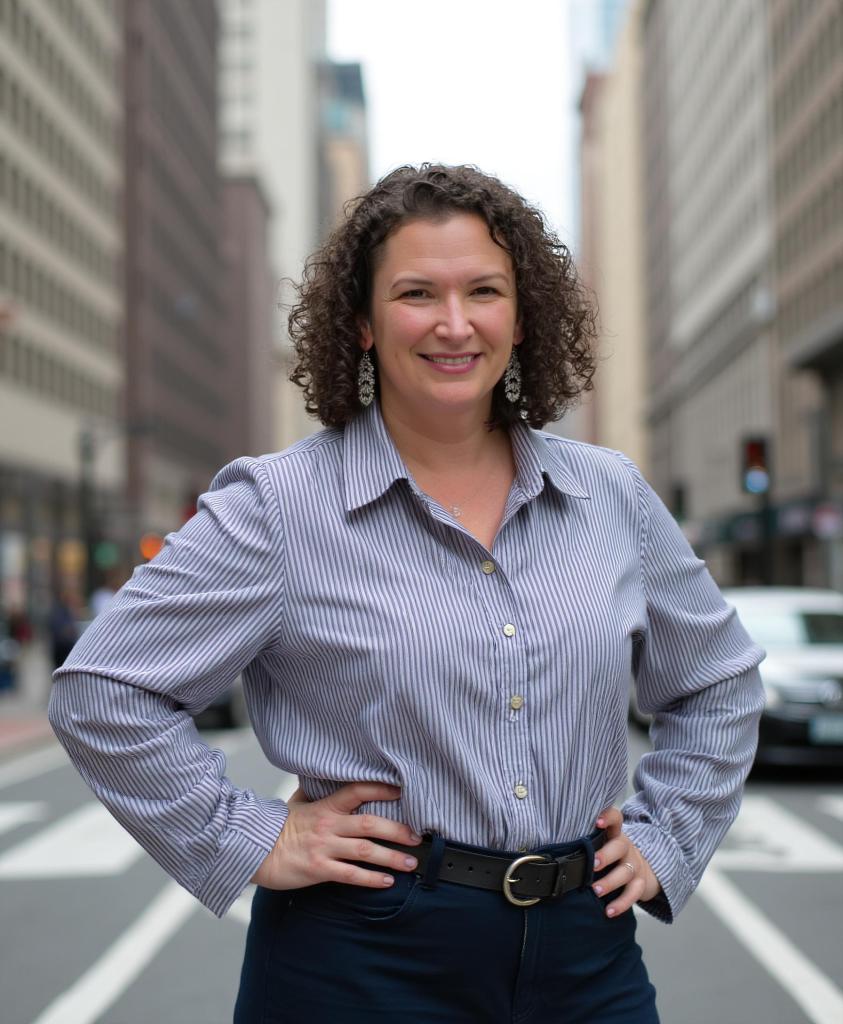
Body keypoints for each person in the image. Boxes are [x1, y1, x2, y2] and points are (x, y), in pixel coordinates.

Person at [49, 164, 765, 1022]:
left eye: (484, 291)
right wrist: (251, 836)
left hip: (586, 951)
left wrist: (664, 838)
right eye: (417, 293)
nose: (454, 324)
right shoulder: (278, 509)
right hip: (360, 957)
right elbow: (103, 687)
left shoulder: (608, 494)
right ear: (361, 320)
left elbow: (716, 679)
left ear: (521, 313)